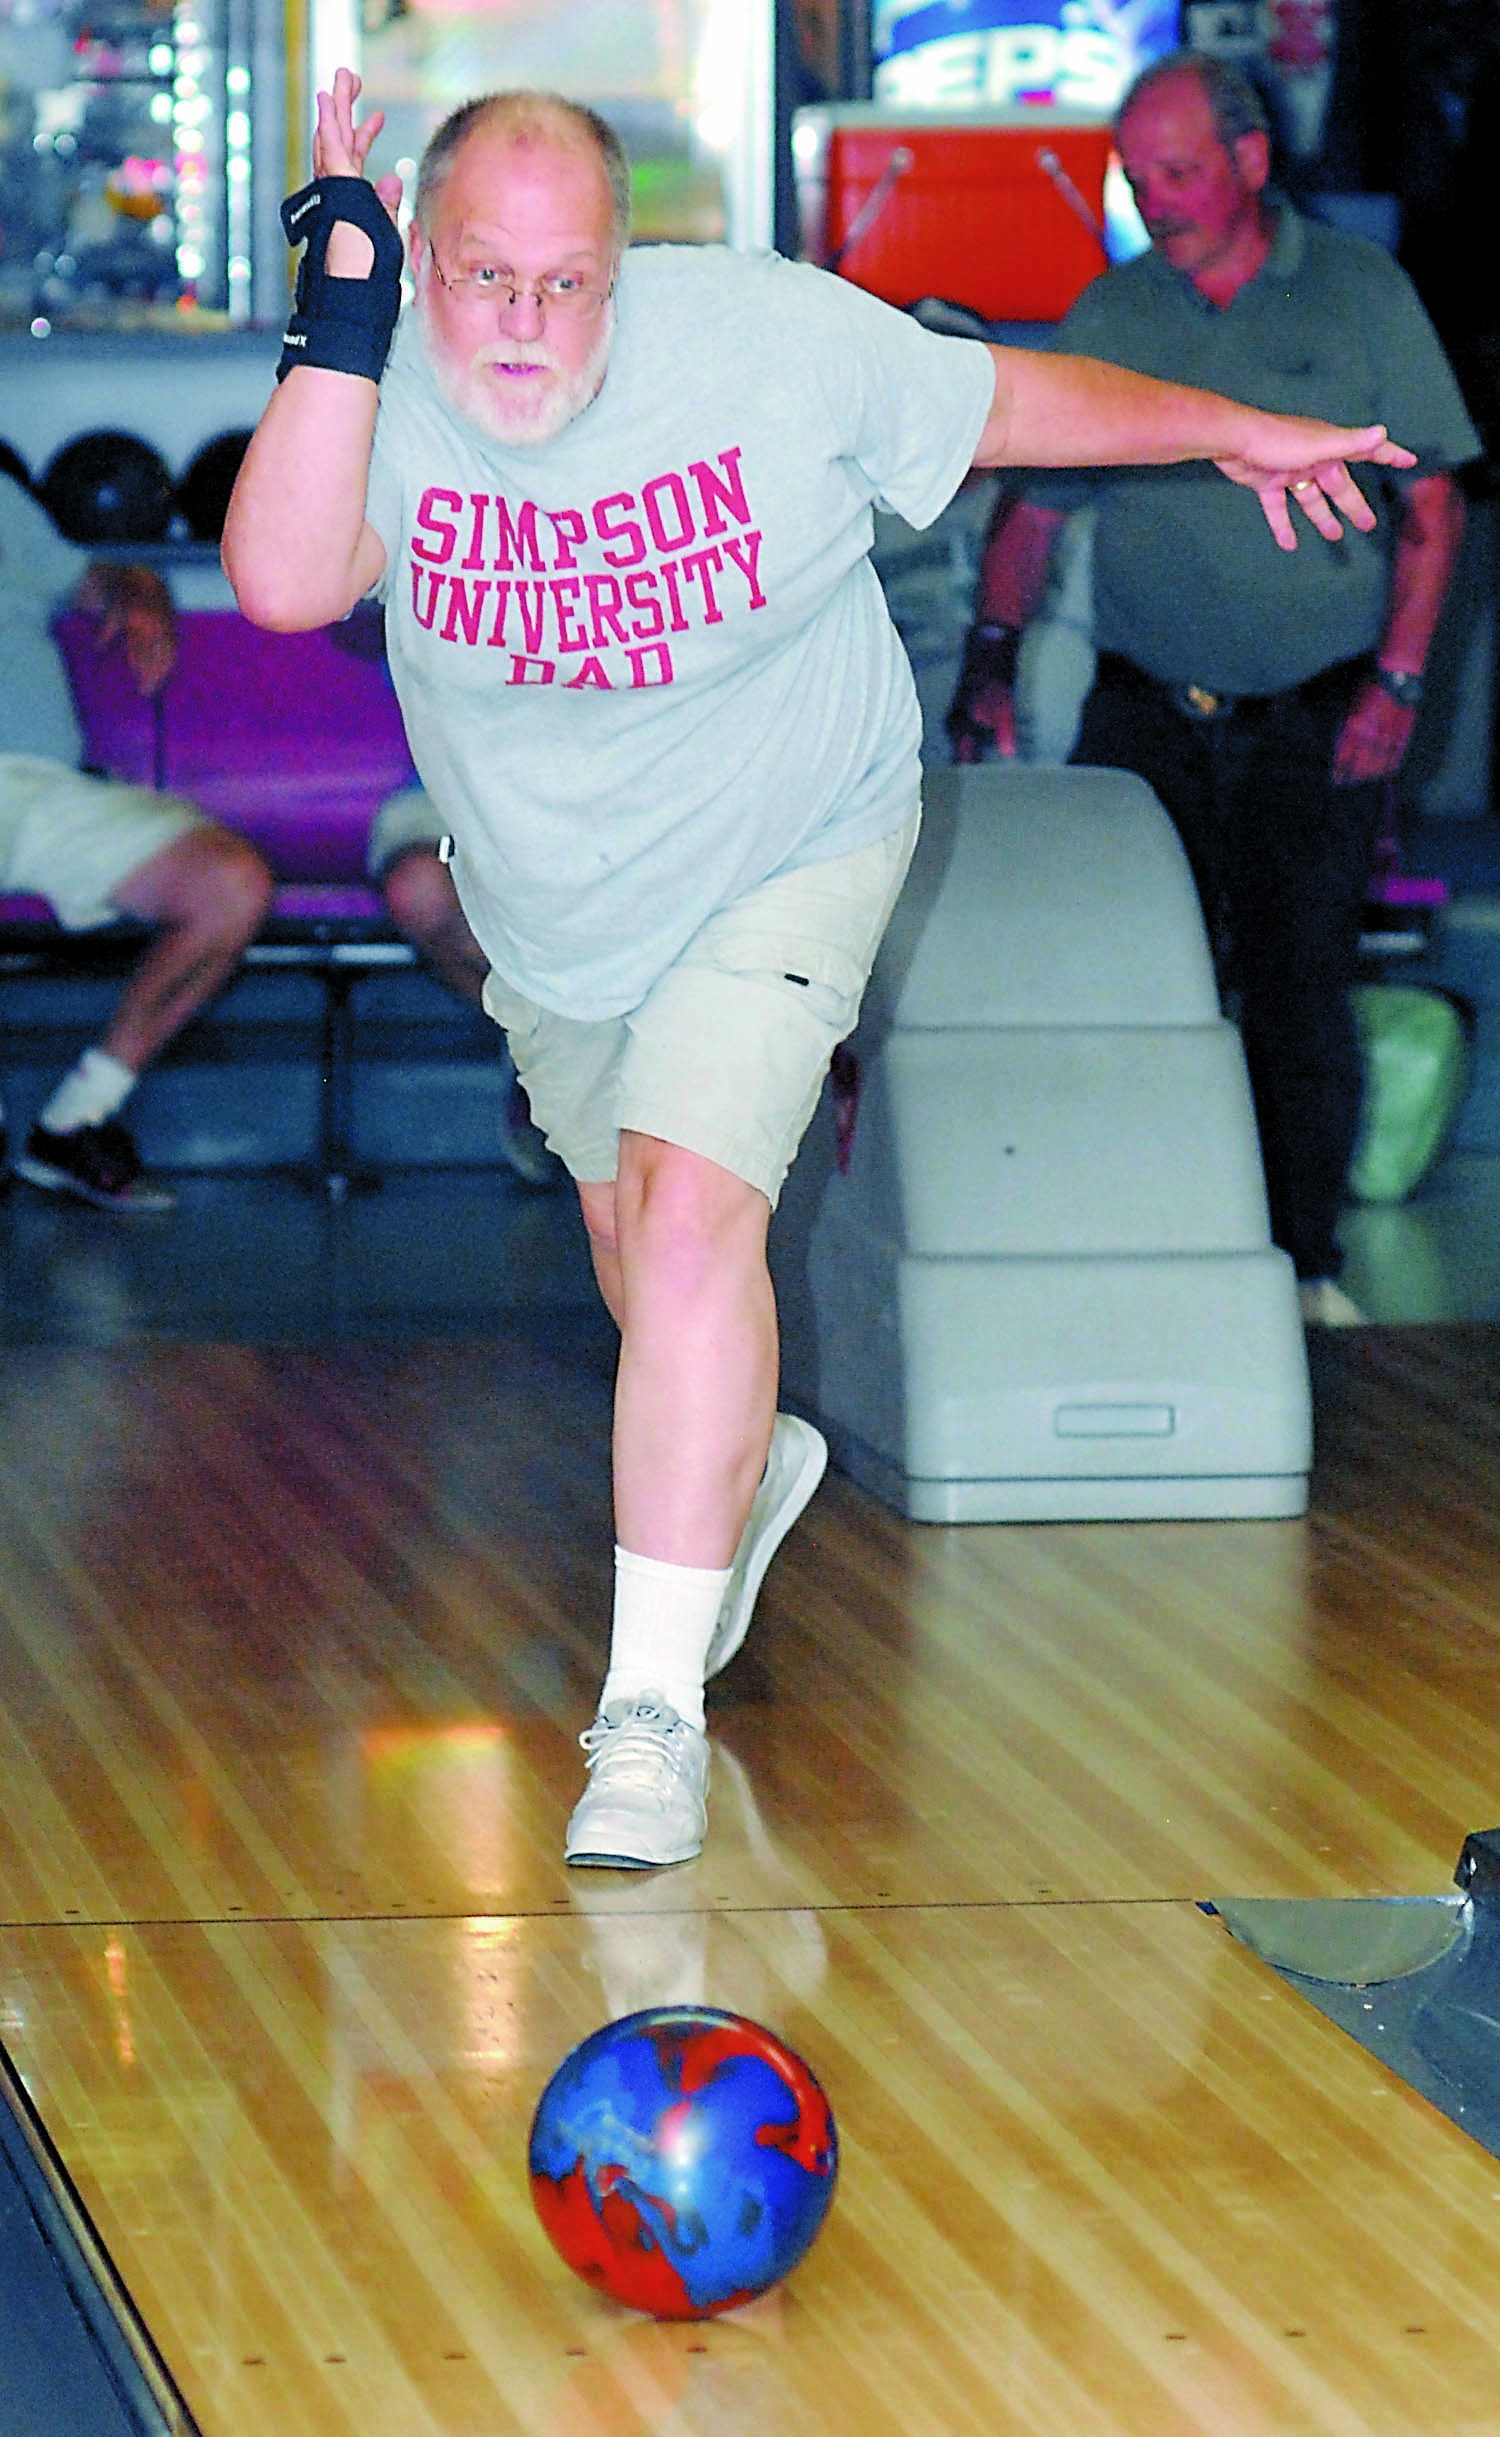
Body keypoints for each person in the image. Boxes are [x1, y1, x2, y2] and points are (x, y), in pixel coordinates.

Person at [221, 66, 1414, 1870]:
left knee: (697, 1215)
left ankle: (647, 1721)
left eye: (568, 282)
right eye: (482, 277)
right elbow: (289, 580)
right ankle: (750, 1461)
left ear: (629, 268)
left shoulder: (771, 344)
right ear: (420, 256)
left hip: (794, 841)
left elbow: (1009, 402)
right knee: (647, 1260)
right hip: (560, 904)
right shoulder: (374, 374)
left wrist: (1229, 428)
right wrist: (346, 306)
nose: (527, 324)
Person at [947, 52, 1478, 1329]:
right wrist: (992, 660)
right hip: (1148, 708)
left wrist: (1398, 684)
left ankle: (1299, 1268)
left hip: (1320, 703)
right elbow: (1035, 507)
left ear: (1249, 161)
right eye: (1137, 177)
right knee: (1126, 977)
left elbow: (1433, 506)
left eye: (1179, 172)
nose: (1156, 200)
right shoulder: (1116, 314)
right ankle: (1136, 1246)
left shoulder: (1359, 297)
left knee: (1298, 980)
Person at [1, 466, 273, 1210]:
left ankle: (75, 1120)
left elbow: (88, 579)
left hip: (41, 785)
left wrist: (139, 586)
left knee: (230, 884)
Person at [367, 783, 565, 1185]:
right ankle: (545, 1054)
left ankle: (555, 1057)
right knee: (422, 890)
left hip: (596, 797)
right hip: (452, 793)